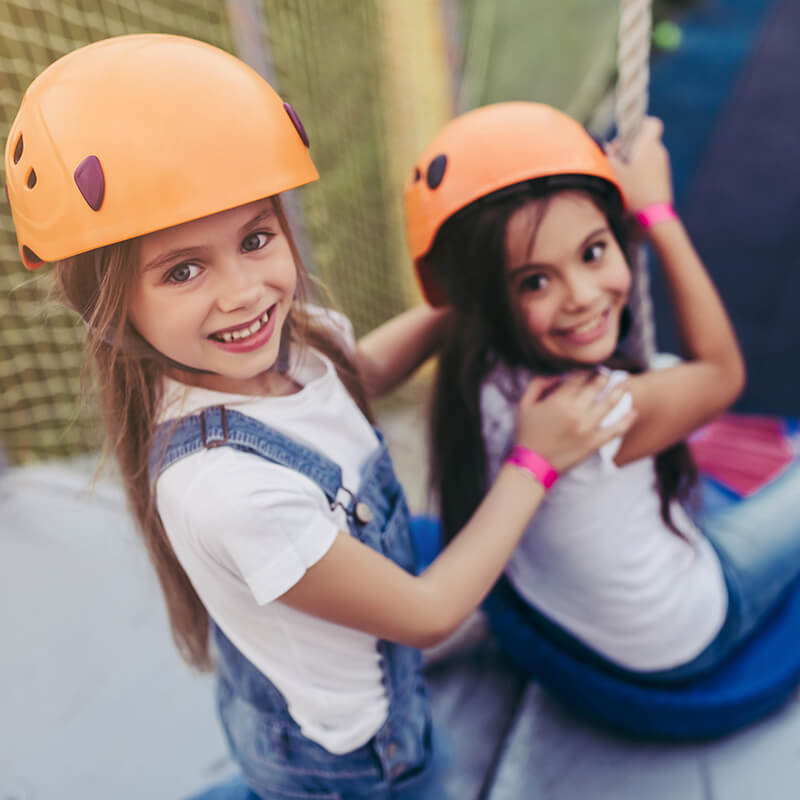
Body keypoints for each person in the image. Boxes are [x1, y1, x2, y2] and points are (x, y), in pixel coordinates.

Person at [5, 38, 635, 798]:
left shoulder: (284, 347)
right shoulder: (226, 489)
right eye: (183, 269)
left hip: (290, 681)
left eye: (256, 238)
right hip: (347, 759)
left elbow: (351, 377)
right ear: (103, 304)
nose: (244, 292)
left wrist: (470, 299)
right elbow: (430, 614)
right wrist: (535, 461)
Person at [404, 101, 800, 687]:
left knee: (665, 374)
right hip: (682, 635)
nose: (584, 296)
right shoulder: (600, 412)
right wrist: (659, 212)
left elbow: (452, 307)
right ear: (487, 294)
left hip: (562, 613)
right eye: (535, 280)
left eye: (593, 252)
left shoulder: (477, 362)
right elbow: (723, 374)